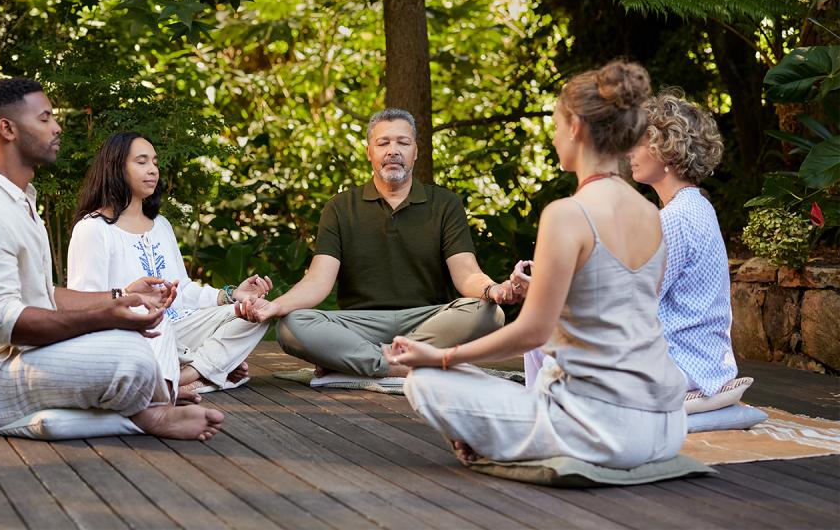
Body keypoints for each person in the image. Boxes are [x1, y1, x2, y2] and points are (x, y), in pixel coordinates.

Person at [387, 61, 687, 469]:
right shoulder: (651, 213)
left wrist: (440, 357)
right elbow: (620, 309)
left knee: (426, 380)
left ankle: (501, 444)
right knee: (466, 375)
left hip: (601, 430)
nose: (554, 135)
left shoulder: (568, 213)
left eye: (556, 123)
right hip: (667, 427)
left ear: (577, 127)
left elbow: (531, 332)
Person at [0, 78, 224, 441]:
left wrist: (121, 299)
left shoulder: (18, 201)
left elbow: (44, 294)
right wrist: (104, 317)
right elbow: (5, 323)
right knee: (132, 357)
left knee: (149, 325)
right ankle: (151, 416)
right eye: (44, 119)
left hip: (26, 359)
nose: (57, 127)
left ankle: (135, 410)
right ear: (8, 128)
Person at [236, 108, 524, 380]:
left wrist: (493, 290)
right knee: (290, 325)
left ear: (415, 153)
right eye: (383, 142)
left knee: (488, 312)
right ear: (369, 152)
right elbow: (317, 282)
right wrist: (276, 306)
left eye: (403, 142)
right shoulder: (340, 207)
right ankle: (403, 363)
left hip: (428, 320)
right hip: (359, 325)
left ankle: (363, 363)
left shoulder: (445, 204)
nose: (393, 150)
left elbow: (466, 273)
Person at [66, 131, 272, 397]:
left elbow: (183, 289)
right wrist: (129, 296)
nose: (152, 169)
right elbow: (84, 305)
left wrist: (231, 295)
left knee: (258, 312)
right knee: (161, 331)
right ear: (116, 168)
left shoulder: (161, 225)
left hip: (180, 328)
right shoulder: (93, 229)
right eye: (141, 162)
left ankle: (187, 375)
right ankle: (210, 370)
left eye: (155, 162)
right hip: (133, 334)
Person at [630, 88, 737, 396]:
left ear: (668, 151)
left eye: (639, 143)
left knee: (549, 337)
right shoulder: (698, 205)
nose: (630, 154)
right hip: (706, 361)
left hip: (681, 364)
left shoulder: (675, 218)